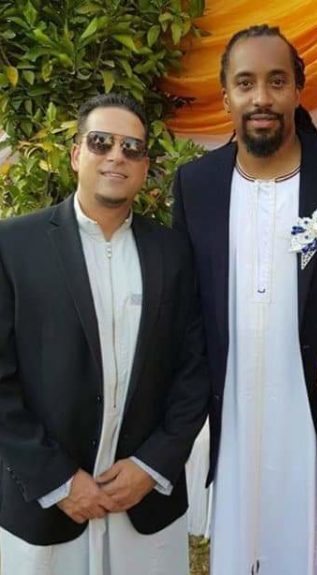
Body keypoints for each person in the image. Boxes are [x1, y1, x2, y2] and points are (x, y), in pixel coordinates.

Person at [173, 24, 317, 575]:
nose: (261, 97)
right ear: (226, 96)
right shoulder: (196, 184)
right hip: (232, 408)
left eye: (277, 81)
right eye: (246, 83)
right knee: (242, 547)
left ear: (298, 91)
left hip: (316, 412)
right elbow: (188, 309)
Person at [0, 93, 210, 575]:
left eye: (132, 147)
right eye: (101, 142)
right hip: (48, 505)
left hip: (144, 503)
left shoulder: (174, 253)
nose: (117, 155)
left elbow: (194, 369)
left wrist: (152, 465)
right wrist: (57, 480)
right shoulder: (13, 246)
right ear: (77, 154)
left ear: (145, 166)